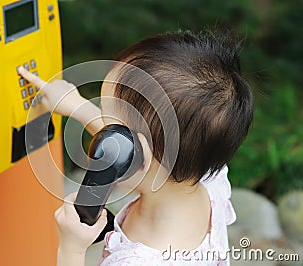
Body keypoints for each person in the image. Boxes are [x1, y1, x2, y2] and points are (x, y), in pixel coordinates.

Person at [19, 30, 254, 265]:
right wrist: (76, 106)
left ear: (136, 156)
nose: (103, 134)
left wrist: (72, 249)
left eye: (108, 127)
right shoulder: (207, 176)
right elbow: (144, 143)